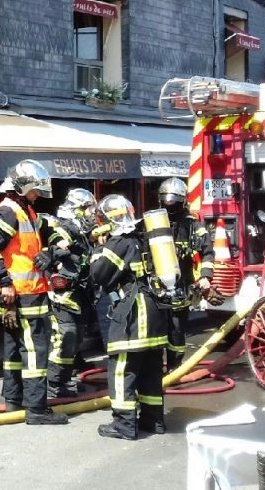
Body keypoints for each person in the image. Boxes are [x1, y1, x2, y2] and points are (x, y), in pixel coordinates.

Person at [0, 159, 68, 425]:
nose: (38, 195)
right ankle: (36, 409)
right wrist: (5, 282)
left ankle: (13, 401)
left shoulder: (24, 210)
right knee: (35, 352)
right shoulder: (8, 212)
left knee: (15, 352)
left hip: (19, 296)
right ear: (22, 187)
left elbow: (35, 243)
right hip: (22, 295)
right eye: (35, 189)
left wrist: (49, 252)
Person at [90, 194, 168, 440]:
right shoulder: (142, 239)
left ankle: (124, 425)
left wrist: (98, 248)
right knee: (151, 371)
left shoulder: (118, 242)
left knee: (123, 369)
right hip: (155, 313)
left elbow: (99, 275)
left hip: (133, 314)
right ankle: (153, 420)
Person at [35, 188, 97, 399]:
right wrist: (55, 252)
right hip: (61, 295)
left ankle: (64, 378)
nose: (90, 214)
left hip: (77, 294)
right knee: (65, 336)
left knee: (76, 337)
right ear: (76, 209)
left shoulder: (81, 232)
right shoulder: (62, 228)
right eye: (87, 210)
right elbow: (58, 245)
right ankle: (53, 383)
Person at [157, 177, 214, 371]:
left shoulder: (192, 226)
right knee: (155, 329)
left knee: (176, 329)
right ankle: (153, 368)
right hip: (154, 285)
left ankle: (174, 366)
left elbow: (207, 251)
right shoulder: (153, 222)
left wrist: (206, 276)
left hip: (181, 285)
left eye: (173, 201)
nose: (169, 204)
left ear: (182, 201)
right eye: (166, 200)